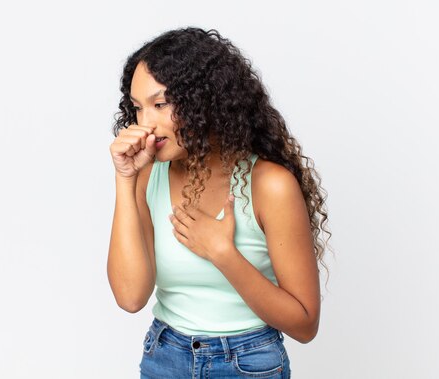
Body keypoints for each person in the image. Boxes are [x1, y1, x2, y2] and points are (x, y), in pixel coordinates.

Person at [107, 27, 331, 379]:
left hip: (249, 363)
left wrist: (222, 253)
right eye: (138, 108)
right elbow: (130, 297)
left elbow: (304, 324)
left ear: (204, 101)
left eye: (160, 104)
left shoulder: (270, 185)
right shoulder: (149, 175)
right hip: (165, 358)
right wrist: (125, 179)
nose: (145, 124)